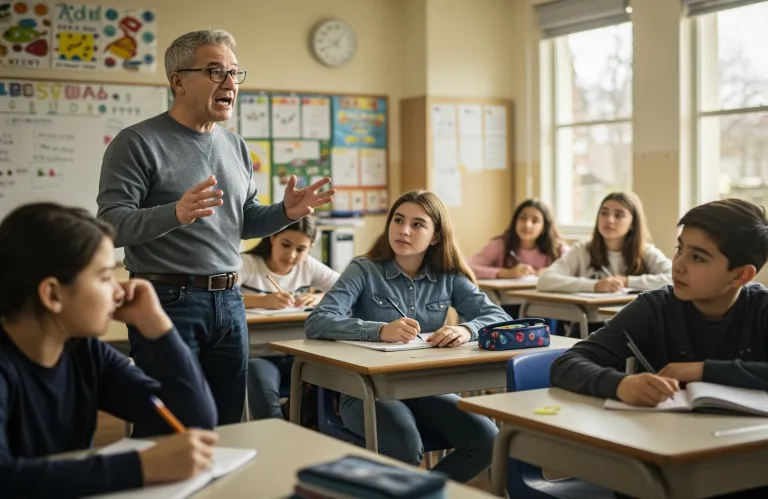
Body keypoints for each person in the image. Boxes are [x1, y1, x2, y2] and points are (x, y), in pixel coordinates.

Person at [97, 29, 334, 427]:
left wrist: (285, 212)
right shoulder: (137, 142)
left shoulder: (235, 145)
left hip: (229, 299)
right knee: (172, 422)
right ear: (178, 81)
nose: (229, 84)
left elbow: (245, 222)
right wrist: (175, 213)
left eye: (234, 73)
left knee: (226, 424)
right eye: (214, 71)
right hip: (167, 299)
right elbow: (110, 227)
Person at [550, 198, 768, 498]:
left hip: (745, 462)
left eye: (698, 258)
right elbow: (568, 362)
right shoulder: (654, 308)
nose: (678, 265)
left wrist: (703, 370)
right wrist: (621, 384)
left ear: (741, 275)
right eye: (680, 249)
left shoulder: (761, 309)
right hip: (657, 468)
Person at [0, 203, 219, 499]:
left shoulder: (85, 353)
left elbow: (191, 419)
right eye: (105, 277)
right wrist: (141, 466)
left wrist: (156, 325)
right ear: (53, 294)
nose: (118, 291)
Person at [305, 190, 508, 483]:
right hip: (366, 391)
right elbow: (317, 322)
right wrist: (378, 331)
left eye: (417, 224)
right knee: (404, 444)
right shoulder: (363, 269)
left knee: (488, 440)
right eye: (398, 220)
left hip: (426, 389)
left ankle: (418, 492)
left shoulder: (448, 276)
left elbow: (500, 318)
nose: (403, 230)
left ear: (435, 237)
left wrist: (466, 329)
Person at [240, 217, 339, 420]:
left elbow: (345, 289)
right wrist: (262, 301)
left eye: (301, 249)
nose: (291, 255)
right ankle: (277, 439)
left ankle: (299, 429)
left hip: (299, 354)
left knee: (331, 383)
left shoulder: (308, 266)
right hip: (259, 355)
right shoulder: (247, 263)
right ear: (272, 238)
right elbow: (223, 296)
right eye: (285, 244)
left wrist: (318, 297)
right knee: (266, 402)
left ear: (310, 248)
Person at [469, 198, 568, 279]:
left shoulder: (557, 248)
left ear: (544, 228)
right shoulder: (500, 244)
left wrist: (554, 272)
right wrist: (506, 273)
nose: (527, 225)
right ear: (515, 221)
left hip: (543, 302)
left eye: (535, 221)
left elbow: (579, 271)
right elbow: (467, 268)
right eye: (523, 218)